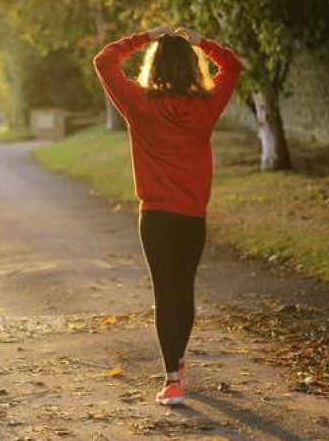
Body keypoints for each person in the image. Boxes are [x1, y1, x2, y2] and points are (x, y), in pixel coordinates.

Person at [93, 25, 243, 405]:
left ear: (154, 67)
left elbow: (104, 60)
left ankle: (172, 379)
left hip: (155, 217)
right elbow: (233, 66)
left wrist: (145, 36)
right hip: (192, 216)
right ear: (193, 68)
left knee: (165, 292)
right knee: (184, 290)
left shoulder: (139, 104)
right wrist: (201, 42)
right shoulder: (206, 106)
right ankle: (177, 361)